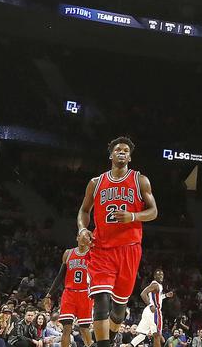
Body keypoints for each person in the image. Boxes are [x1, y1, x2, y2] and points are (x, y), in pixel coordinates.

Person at [77, 137, 159, 347]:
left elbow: (153, 212)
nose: (121, 152)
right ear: (111, 155)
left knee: (119, 310)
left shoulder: (140, 180)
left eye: (125, 150)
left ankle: (109, 339)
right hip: (102, 248)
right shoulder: (96, 183)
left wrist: (133, 216)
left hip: (129, 249)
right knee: (101, 300)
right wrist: (83, 229)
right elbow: (84, 211)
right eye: (117, 149)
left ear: (129, 157)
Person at [50, 232, 94, 347]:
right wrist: (49, 294)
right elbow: (60, 276)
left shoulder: (93, 253)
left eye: (87, 237)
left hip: (85, 293)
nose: (84, 238)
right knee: (66, 329)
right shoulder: (68, 253)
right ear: (77, 238)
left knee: (84, 329)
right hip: (69, 293)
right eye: (82, 236)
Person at [133, 270, 170, 347]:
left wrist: (166, 295)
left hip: (148, 311)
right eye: (158, 275)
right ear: (154, 276)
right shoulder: (155, 285)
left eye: (162, 275)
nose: (161, 276)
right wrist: (150, 305)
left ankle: (130, 345)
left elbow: (157, 298)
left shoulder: (158, 285)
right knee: (156, 335)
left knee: (143, 335)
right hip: (155, 311)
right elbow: (143, 294)